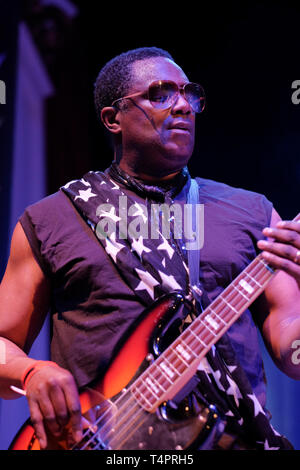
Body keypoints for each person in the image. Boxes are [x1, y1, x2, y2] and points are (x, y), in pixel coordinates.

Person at [0, 46, 300, 451]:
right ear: (112, 118)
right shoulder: (52, 218)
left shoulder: (253, 213)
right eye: (161, 94)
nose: (183, 106)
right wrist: (31, 373)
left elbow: (292, 355)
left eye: (189, 94)